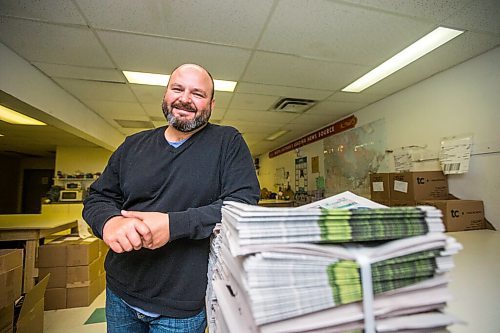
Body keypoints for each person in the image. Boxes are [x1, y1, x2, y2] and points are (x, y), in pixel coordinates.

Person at [83, 63, 260, 333]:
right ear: (166, 94)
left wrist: (174, 225)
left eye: (198, 93)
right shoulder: (132, 145)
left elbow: (243, 204)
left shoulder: (228, 142)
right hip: (121, 292)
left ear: (212, 104)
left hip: (182, 306)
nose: (185, 98)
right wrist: (109, 222)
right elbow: (98, 197)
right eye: (177, 89)